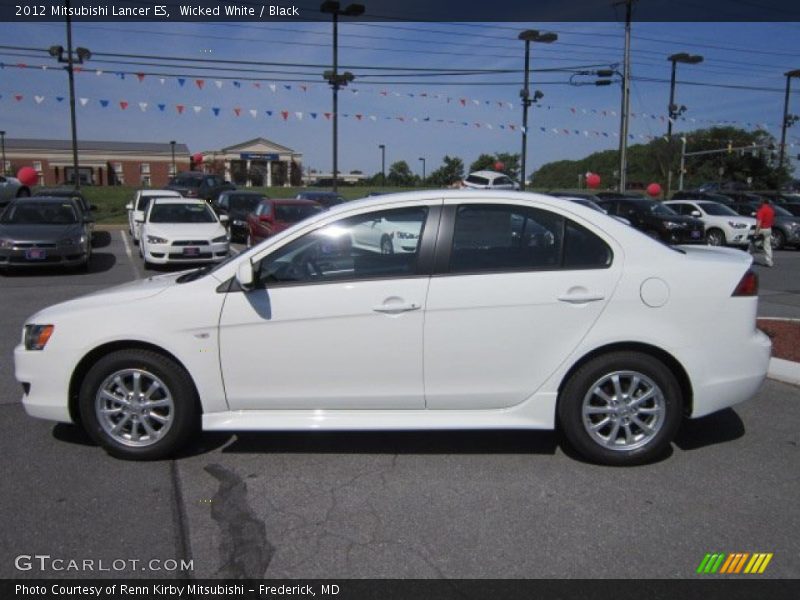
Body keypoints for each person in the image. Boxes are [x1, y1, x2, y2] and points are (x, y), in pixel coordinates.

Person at [755, 197, 775, 267]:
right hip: (768, 229)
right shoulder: (771, 210)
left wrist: (756, 232)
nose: (758, 203)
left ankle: (746, 259)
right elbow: (772, 221)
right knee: (767, 246)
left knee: (753, 244)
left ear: (762, 202)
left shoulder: (761, 210)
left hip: (761, 229)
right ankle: (769, 262)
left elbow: (759, 222)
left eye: (759, 202)